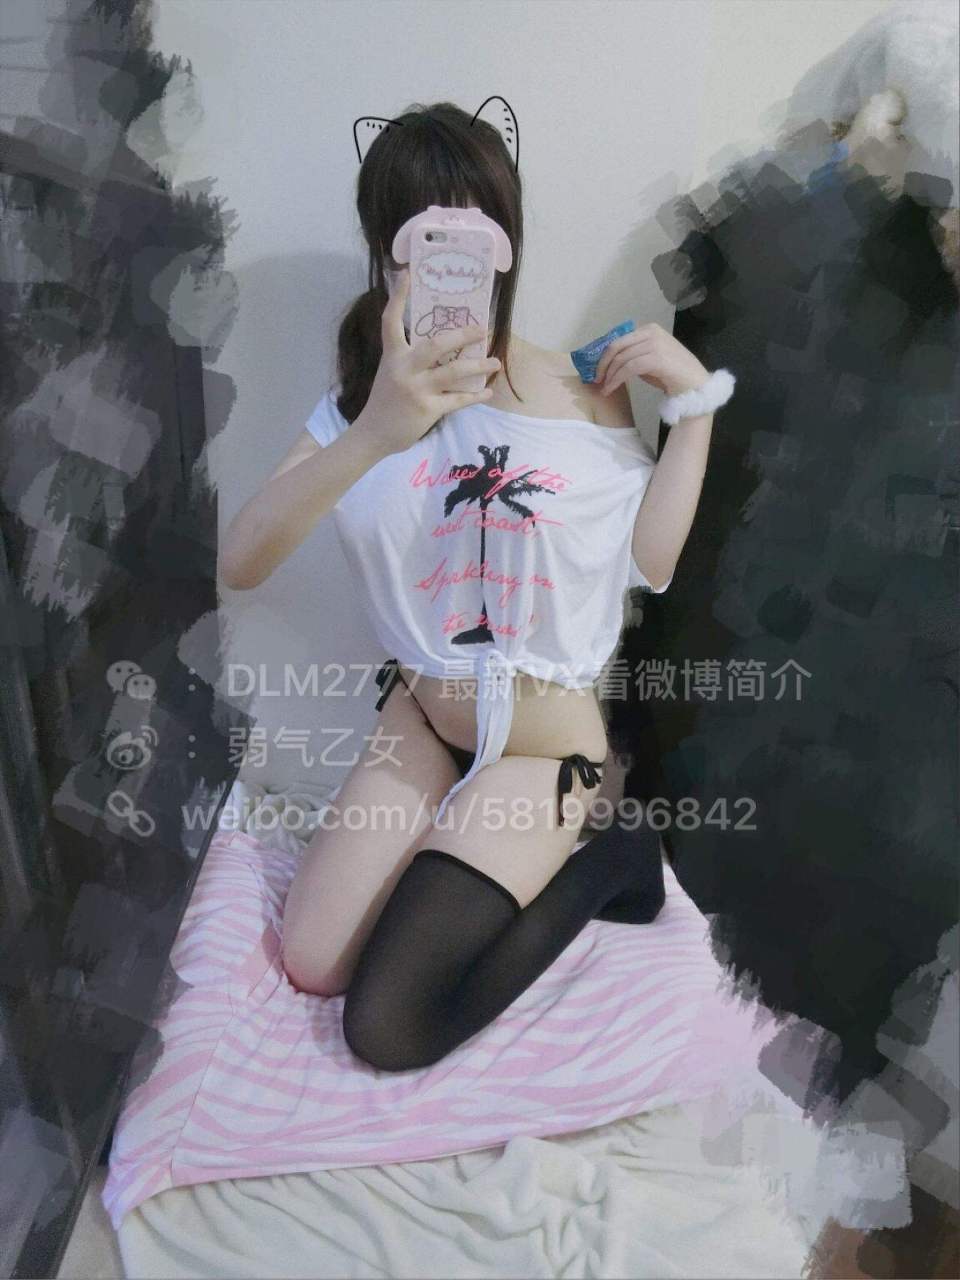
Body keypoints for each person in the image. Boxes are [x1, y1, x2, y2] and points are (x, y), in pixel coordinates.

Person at [220, 102, 728, 1071]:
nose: (453, 266)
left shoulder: (582, 385)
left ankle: (612, 861)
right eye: (425, 241)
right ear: (388, 254)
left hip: (543, 749)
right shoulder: (363, 399)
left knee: (389, 1022)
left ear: (507, 244)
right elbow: (242, 560)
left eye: (474, 236)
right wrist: (377, 429)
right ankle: (469, 826)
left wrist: (696, 411)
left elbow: (652, 564)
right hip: (425, 720)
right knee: (314, 959)